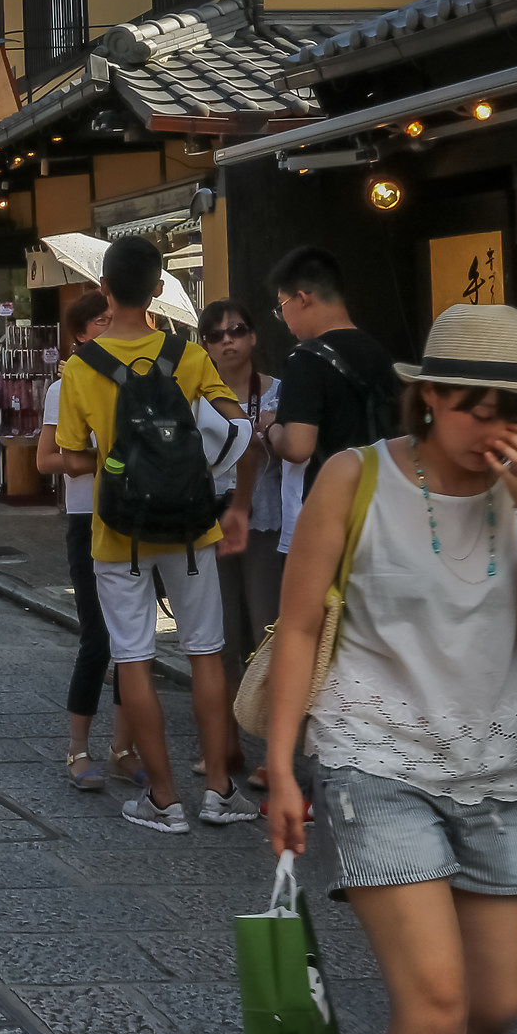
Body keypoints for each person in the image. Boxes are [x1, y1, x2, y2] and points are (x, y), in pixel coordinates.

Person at [266, 304, 517, 1034]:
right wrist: (279, 765)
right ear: (431, 395)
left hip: (491, 769)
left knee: (496, 1004)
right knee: (437, 1001)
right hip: (371, 758)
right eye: (478, 407)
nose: (495, 429)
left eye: (514, 411)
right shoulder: (355, 476)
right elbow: (299, 626)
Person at [55, 236, 257, 833]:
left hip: (118, 532)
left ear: (105, 291)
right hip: (192, 527)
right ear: (158, 290)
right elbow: (236, 429)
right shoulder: (189, 355)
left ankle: (164, 799)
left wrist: (114, 459)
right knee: (205, 653)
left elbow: (69, 458)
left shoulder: (79, 368)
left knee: (134, 657)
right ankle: (220, 790)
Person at [36, 289, 133, 791]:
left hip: (133, 516)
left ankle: (124, 746)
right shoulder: (65, 385)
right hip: (86, 515)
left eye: (112, 320)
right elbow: (45, 460)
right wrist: (99, 460)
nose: (108, 328)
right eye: (99, 322)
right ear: (77, 333)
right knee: (97, 637)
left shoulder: (133, 377)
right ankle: (77, 748)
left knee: (133, 642)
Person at [266, 245, 402, 550]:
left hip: (334, 510)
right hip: (388, 501)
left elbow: (299, 447)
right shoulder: (380, 353)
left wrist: (272, 429)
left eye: (281, 306)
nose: (283, 317)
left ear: (301, 298)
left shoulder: (305, 360)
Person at [200, 297, 276, 787]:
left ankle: (275, 754)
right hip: (209, 524)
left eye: (237, 330)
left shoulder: (276, 394)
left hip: (266, 522)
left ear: (253, 338)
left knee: (271, 634)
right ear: (204, 345)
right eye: (216, 334)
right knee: (221, 637)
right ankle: (224, 746)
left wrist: (277, 429)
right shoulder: (197, 397)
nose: (228, 340)